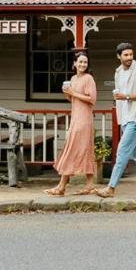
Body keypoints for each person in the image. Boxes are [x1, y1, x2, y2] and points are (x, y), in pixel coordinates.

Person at [98, 42, 136, 200]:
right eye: (126, 55)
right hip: (125, 117)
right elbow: (119, 96)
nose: (129, 57)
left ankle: (110, 188)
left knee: (122, 151)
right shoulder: (117, 72)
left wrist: (127, 96)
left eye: (131, 54)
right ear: (119, 56)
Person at [45, 52, 99, 196]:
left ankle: (61, 186)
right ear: (74, 63)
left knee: (72, 149)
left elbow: (92, 99)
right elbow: (73, 99)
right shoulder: (73, 79)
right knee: (84, 149)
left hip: (84, 119)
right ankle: (89, 184)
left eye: (85, 62)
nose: (83, 65)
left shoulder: (89, 79)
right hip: (76, 116)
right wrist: (67, 93)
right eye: (80, 62)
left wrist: (73, 93)